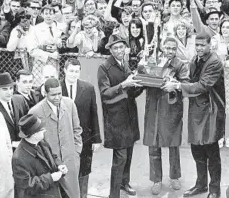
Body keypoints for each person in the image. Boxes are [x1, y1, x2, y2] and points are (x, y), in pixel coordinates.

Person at [162, 32, 225, 198]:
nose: (199, 48)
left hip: (211, 110)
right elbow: (189, 81)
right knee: (197, 150)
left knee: (211, 151)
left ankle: (214, 189)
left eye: (202, 45)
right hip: (197, 110)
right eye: (197, 45)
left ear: (210, 45)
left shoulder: (214, 62)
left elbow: (203, 86)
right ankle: (201, 184)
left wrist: (177, 85)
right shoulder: (195, 60)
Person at [97, 34, 143, 198]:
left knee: (129, 153)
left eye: (121, 47)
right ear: (110, 50)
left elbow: (132, 93)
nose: (119, 50)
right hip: (116, 119)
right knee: (120, 157)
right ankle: (113, 194)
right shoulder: (104, 67)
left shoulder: (125, 64)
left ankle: (125, 183)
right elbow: (105, 93)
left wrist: (142, 82)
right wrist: (124, 84)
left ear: (125, 48)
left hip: (129, 116)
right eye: (115, 48)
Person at [145, 37, 190, 195]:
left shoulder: (180, 65)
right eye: (167, 48)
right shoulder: (154, 60)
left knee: (173, 144)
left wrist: (174, 84)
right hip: (154, 108)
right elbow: (143, 75)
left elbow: (185, 84)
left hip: (171, 109)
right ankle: (156, 179)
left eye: (173, 48)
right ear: (162, 47)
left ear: (176, 49)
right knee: (154, 145)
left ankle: (175, 177)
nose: (170, 51)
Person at [29, 77, 83, 198]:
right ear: (45, 93)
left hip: (70, 161)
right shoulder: (35, 112)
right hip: (49, 166)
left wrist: (76, 153)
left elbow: (77, 129)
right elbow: (33, 142)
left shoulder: (69, 104)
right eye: (53, 95)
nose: (57, 97)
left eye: (59, 93)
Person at [61, 58, 102, 198]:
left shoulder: (88, 88)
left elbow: (93, 114)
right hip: (64, 137)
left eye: (76, 71)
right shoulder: (57, 88)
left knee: (84, 171)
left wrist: (96, 140)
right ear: (65, 70)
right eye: (71, 71)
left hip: (84, 138)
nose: (73, 74)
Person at [12, 113, 68, 198]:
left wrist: (59, 165)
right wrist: (50, 178)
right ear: (34, 134)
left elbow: (53, 156)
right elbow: (27, 186)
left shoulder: (41, 141)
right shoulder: (18, 158)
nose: (45, 130)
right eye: (42, 129)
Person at [0, 72, 29, 149]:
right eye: (5, 89)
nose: (9, 92)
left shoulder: (20, 99)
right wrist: (12, 143)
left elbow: (28, 122)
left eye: (11, 88)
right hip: (6, 149)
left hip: (24, 147)